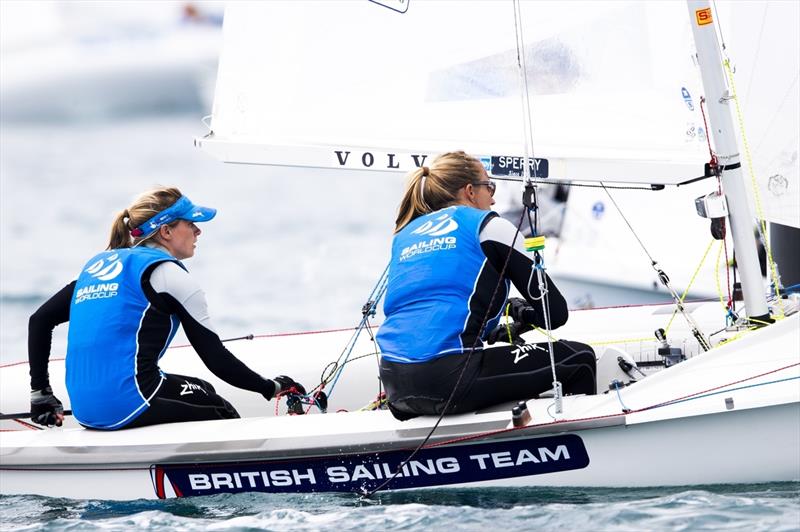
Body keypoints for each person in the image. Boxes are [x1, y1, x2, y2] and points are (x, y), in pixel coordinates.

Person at [28, 186, 305, 429]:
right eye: (191, 223)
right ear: (166, 231)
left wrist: (41, 395)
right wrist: (271, 387)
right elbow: (215, 357)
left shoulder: (97, 269)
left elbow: (39, 321)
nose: (198, 230)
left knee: (202, 389)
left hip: (85, 410)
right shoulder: (168, 275)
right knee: (219, 408)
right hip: (131, 401)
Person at [376, 151, 597, 420]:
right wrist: (524, 316)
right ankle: (568, 451)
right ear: (470, 191)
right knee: (580, 358)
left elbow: (447, 301)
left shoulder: (406, 233)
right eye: (489, 186)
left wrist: (503, 321)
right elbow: (555, 314)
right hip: (448, 379)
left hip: (394, 383)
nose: (493, 197)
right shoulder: (490, 226)